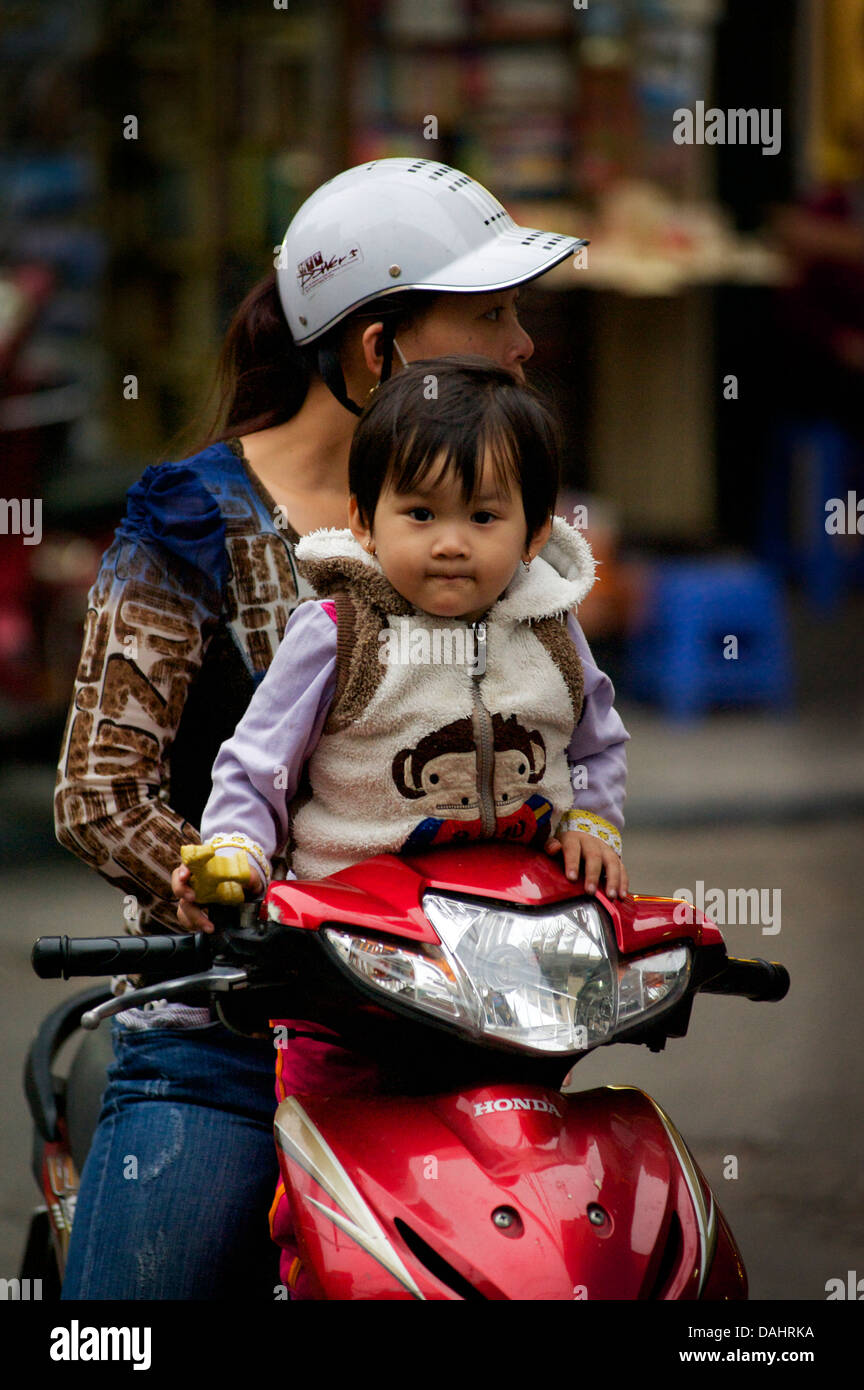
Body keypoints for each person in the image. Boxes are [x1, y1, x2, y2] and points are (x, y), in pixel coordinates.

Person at [54, 157, 623, 1300]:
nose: (523, 345)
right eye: (492, 314)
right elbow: (98, 792)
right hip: (229, 1036)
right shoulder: (192, 519)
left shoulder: (493, 514)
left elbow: (571, 732)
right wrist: (248, 902)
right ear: (379, 351)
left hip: (469, 1023)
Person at [173, 355, 629, 1297]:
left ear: (538, 530)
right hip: (348, 971)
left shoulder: (552, 631)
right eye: (420, 515)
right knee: (337, 1181)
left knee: (514, 1186)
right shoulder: (337, 630)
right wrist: (236, 854)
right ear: (365, 519)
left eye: (485, 517)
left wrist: (595, 820)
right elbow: (256, 764)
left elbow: (599, 743)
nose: (452, 544)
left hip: (514, 978)